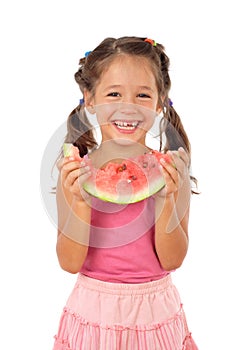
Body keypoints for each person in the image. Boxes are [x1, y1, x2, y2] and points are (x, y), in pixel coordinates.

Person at [53, 36, 198, 349]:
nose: (128, 107)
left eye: (143, 95)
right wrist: (79, 202)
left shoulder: (172, 173)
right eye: (114, 93)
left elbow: (172, 259)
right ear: (89, 97)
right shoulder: (75, 171)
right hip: (94, 311)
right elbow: (69, 262)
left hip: (155, 312)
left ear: (160, 101)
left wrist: (166, 198)